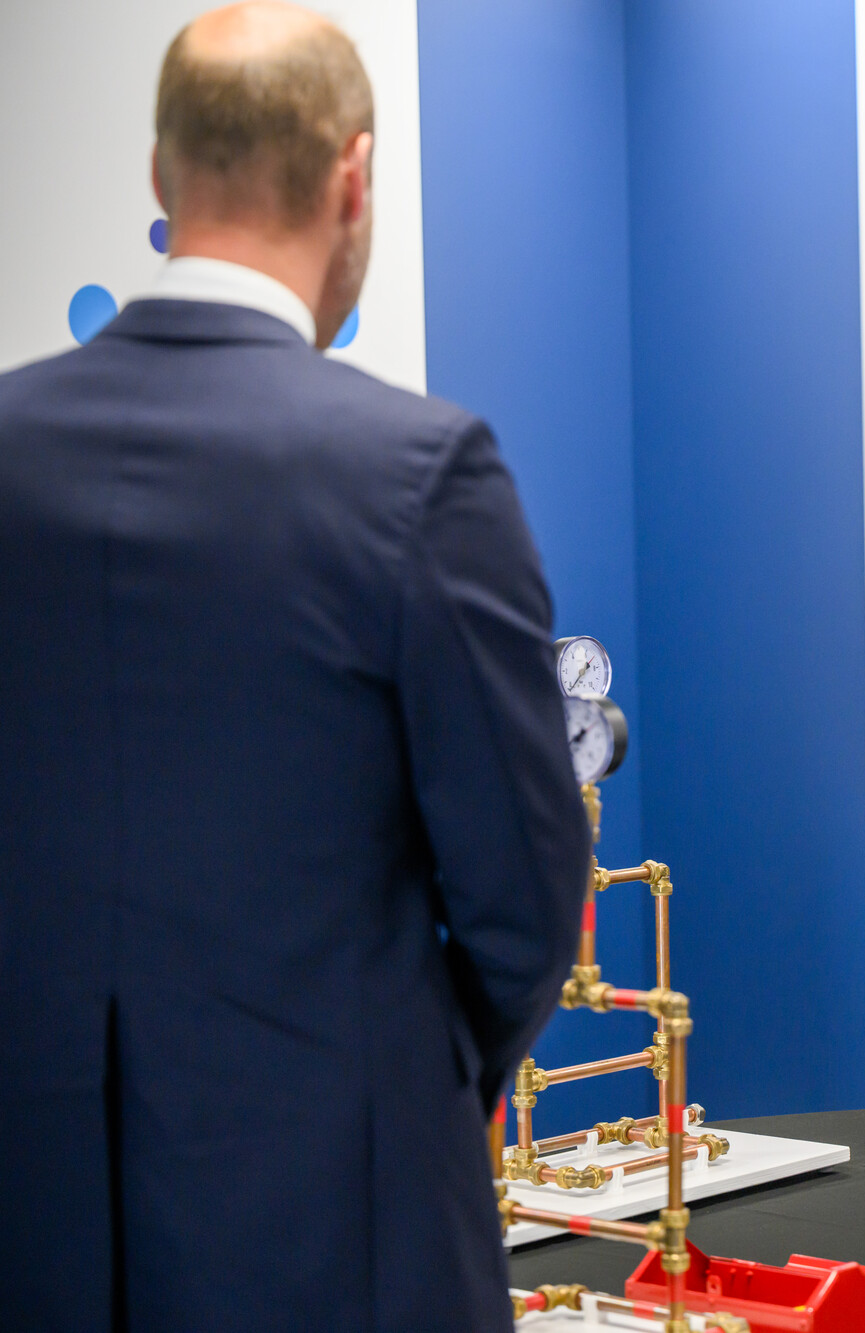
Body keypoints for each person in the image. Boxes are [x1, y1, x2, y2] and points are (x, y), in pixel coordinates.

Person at [0, 6, 592, 1329]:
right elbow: (522, 902)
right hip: (336, 1231)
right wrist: (395, 1085)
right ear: (354, 175)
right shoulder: (420, 473)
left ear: (160, 176)